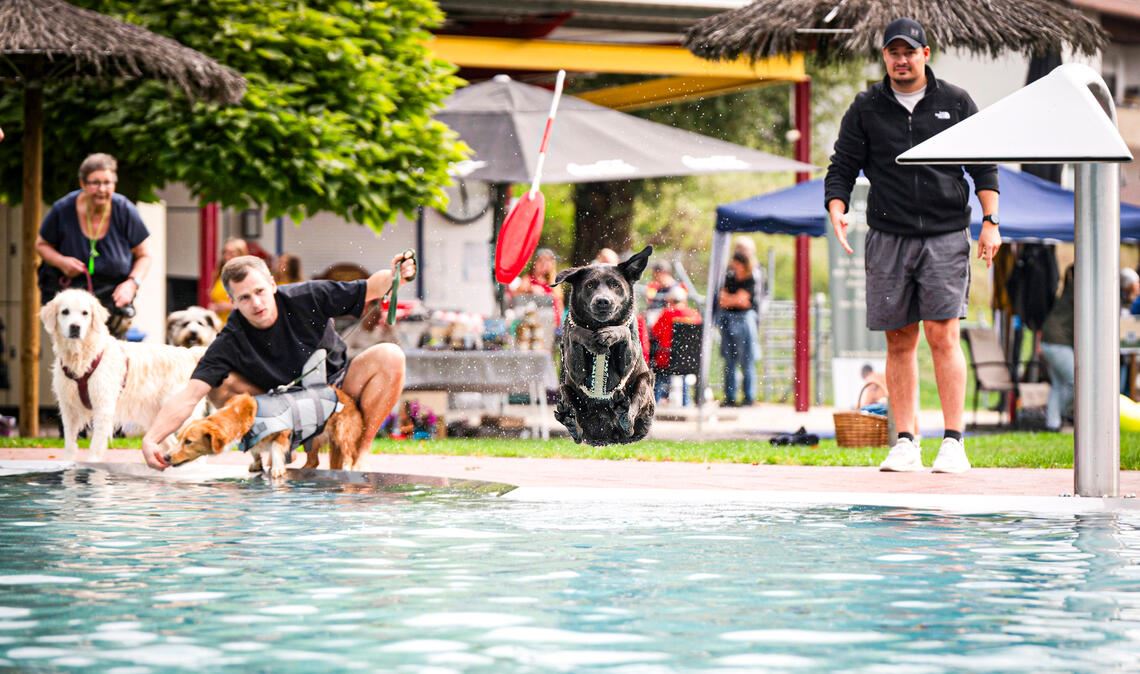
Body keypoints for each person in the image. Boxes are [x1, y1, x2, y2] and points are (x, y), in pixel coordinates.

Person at [825, 17, 1000, 474]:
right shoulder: (867, 106)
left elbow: (984, 166)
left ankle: (954, 443)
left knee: (943, 335)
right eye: (892, 52)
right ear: (884, 57)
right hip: (887, 235)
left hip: (945, 234)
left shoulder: (955, 102)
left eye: (909, 52)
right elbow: (842, 165)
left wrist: (991, 222)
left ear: (926, 54)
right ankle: (905, 441)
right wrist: (837, 207)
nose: (901, 60)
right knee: (899, 339)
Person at [140, 253, 418, 471]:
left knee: (390, 356)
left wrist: (396, 275)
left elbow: (372, 287)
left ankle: (359, 455)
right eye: (245, 298)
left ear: (273, 284)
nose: (257, 303)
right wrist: (152, 438)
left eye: (260, 291)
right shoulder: (230, 339)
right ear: (233, 302)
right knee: (218, 381)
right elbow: (189, 396)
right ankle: (273, 448)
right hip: (282, 411)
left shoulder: (307, 296)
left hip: (338, 389)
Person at [36, 153, 151, 339]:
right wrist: (61, 262)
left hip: (111, 299)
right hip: (70, 296)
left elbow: (144, 255)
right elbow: (41, 245)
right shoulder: (62, 209)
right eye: (95, 183)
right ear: (82, 183)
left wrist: (131, 284)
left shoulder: (125, 210)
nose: (102, 189)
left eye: (108, 183)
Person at [718, 252, 759, 407]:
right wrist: (734, 300)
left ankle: (749, 396)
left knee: (747, 359)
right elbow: (724, 300)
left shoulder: (750, 278)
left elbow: (744, 301)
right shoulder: (729, 277)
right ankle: (730, 397)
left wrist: (731, 300)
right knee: (729, 360)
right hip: (729, 318)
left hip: (744, 320)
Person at [651, 286, 701, 405]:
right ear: (684, 300)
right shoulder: (695, 315)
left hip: (667, 359)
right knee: (683, 372)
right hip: (689, 361)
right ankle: (686, 403)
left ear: (670, 300)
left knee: (660, 377)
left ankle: (654, 403)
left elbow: (655, 333)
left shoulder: (667, 314)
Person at [1040, 265, 1074, 432]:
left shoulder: (1070, 289)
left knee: (1058, 384)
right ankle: (1062, 412)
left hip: (1050, 341)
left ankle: (1052, 423)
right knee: (1076, 382)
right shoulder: (1079, 291)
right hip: (1057, 342)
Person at [208, 238, 249, 323]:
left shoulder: (246, 274)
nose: (226, 256)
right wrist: (214, 307)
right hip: (219, 324)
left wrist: (228, 306)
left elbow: (250, 302)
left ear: (241, 254)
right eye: (225, 252)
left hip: (238, 324)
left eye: (231, 253)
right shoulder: (220, 273)